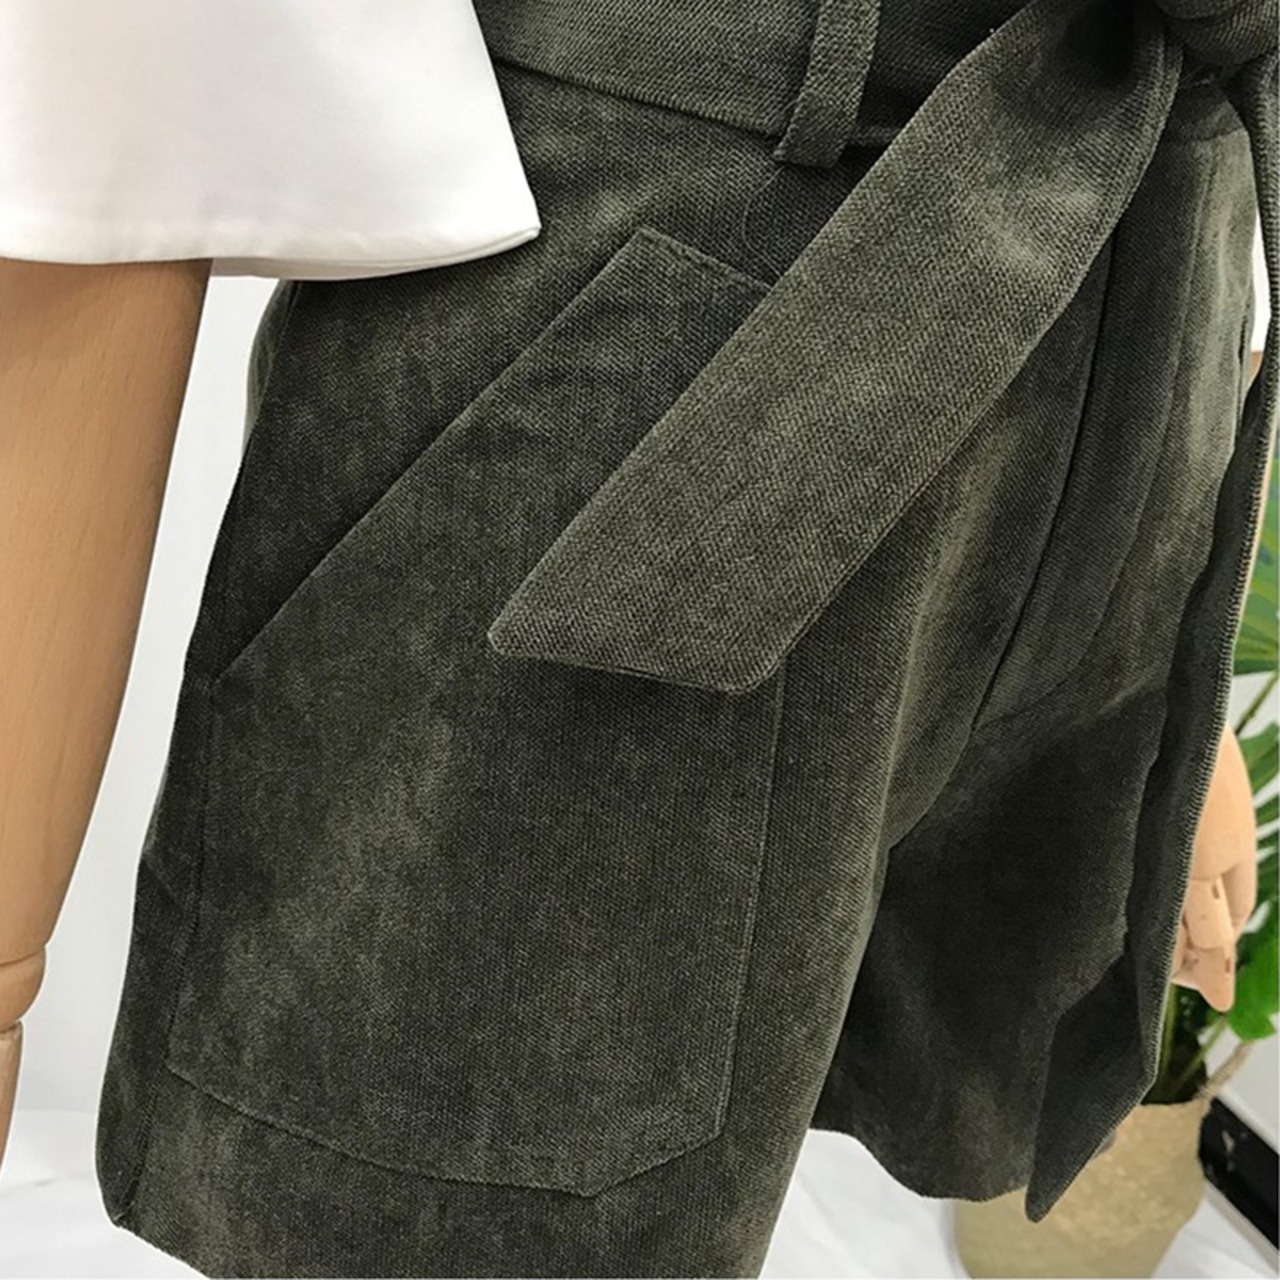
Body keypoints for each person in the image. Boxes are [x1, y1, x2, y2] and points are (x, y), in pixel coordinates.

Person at [0, 0, 1274, 1275]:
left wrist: (1167, 664)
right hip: (662, 308)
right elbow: (113, 103)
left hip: (1152, 282)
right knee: (459, 1218)